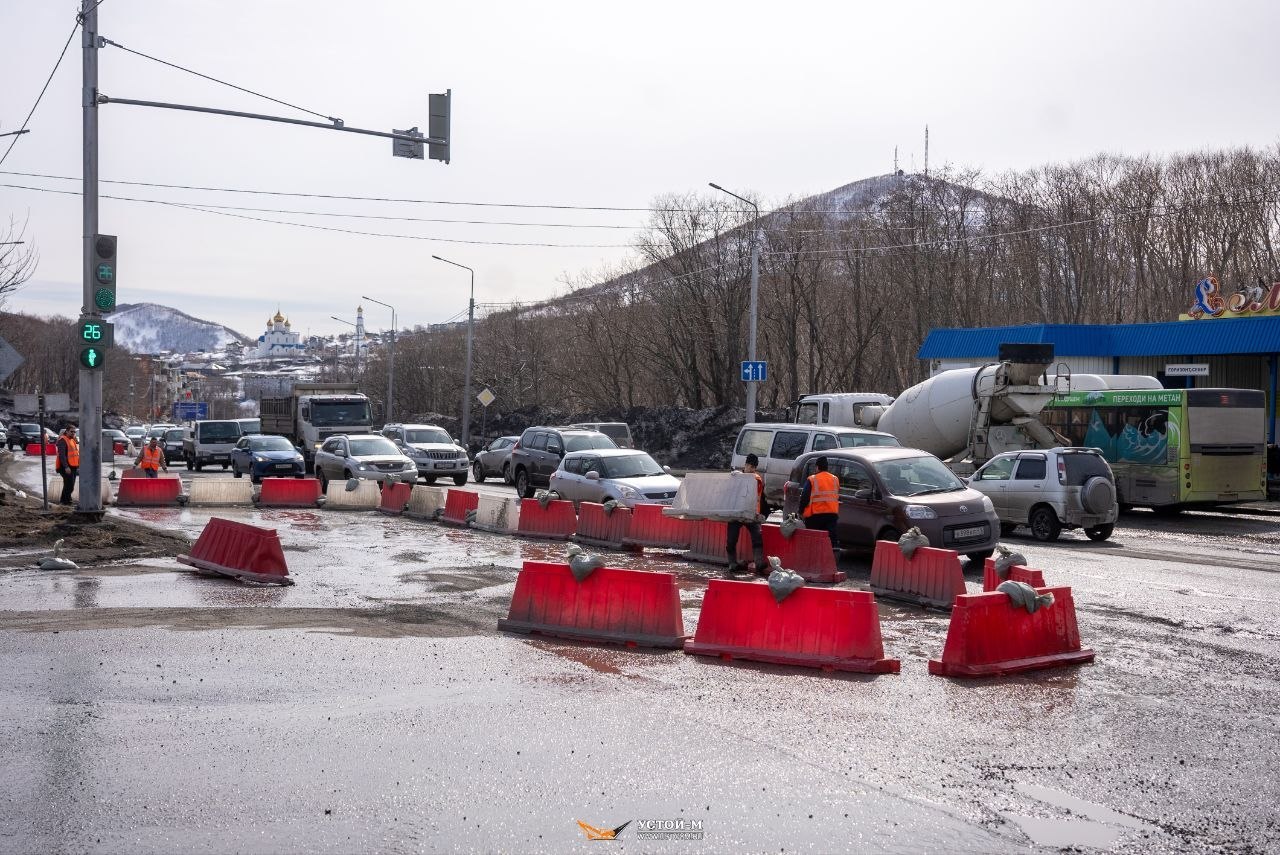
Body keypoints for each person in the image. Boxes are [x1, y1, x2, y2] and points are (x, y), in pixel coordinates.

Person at [727, 453, 766, 575]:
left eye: (754, 467)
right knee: (731, 540)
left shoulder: (756, 479)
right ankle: (732, 563)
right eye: (750, 466)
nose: (752, 469)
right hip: (737, 513)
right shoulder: (737, 477)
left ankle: (759, 563)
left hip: (750, 513)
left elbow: (760, 497)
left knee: (757, 537)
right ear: (746, 465)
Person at [799, 455, 840, 550]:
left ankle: (813, 558)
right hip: (832, 515)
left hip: (815, 515)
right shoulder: (835, 479)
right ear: (827, 467)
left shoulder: (812, 479)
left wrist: (800, 511)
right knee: (831, 541)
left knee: (813, 542)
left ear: (817, 467)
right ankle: (832, 557)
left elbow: (804, 497)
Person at [54, 425, 80, 505]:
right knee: (69, 485)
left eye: (74, 432)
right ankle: (67, 501)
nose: (73, 433)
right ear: (67, 431)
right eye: (71, 431)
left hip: (73, 466)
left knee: (69, 485)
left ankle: (64, 500)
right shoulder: (63, 440)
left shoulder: (72, 440)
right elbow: (62, 455)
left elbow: (75, 453)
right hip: (65, 467)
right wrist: (66, 467)